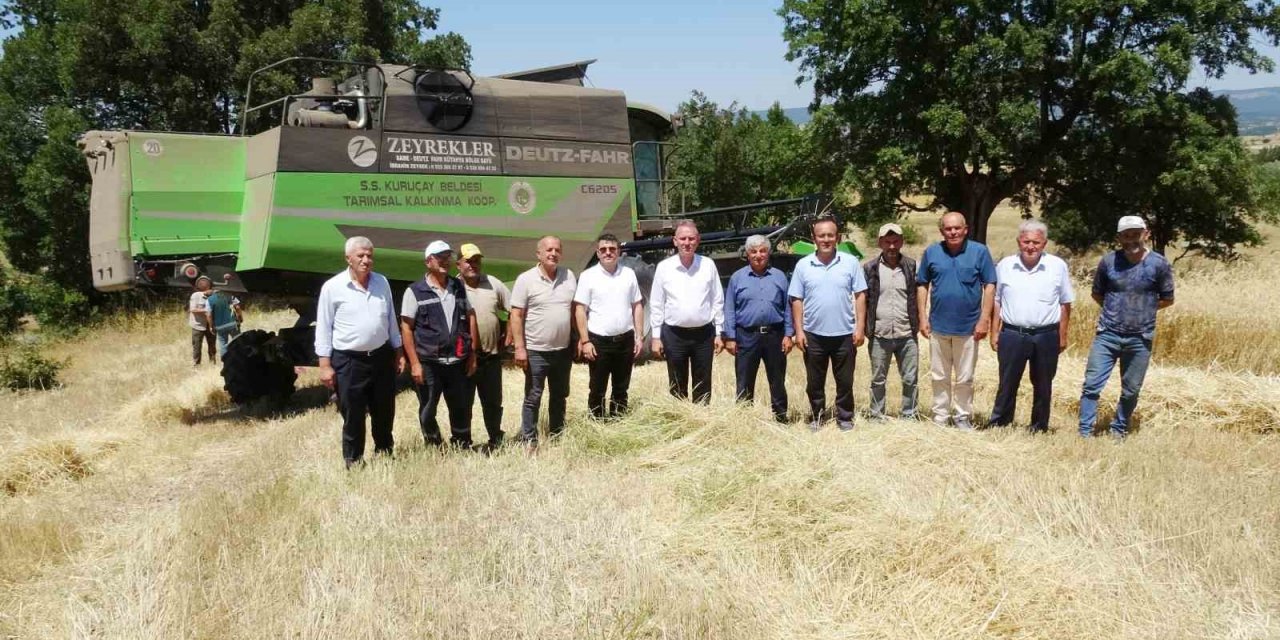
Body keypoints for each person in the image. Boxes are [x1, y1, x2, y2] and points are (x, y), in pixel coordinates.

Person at [1078, 216, 1175, 438]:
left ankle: (1119, 429)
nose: (1131, 239)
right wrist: (1114, 311)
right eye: (1126, 235)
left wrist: (1143, 310)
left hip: (1140, 337)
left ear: (1146, 234)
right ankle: (1084, 432)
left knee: (1131, 390)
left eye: (1136, 234)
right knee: (1091, 385)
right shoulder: (1108, 262)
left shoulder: (1159, 264)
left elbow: (1168, 299)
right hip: (1107, 334)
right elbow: (1097, 293)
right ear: (1119, 238)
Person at [315, 236, 405, 469]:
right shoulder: (333, 287)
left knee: (384, 409)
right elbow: (324, 327)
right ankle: (354, 459)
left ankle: (385, 452)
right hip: (349, 360)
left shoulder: (381, 282)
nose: (366, 260)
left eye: (369, 256)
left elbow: (391, 320)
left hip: (381, 357)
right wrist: (325, 365)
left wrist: (398, 351)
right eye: (360, 256)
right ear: (348, 258)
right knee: (353, 412)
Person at [988, 220, 1074, 432]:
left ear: (1044, 243)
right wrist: (994, 332)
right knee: (1007, 382)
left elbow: (1065, 303)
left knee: (1043, 384)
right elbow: (996, 301)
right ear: (1019, 242)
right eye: (1026, 241)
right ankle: (1000, 423)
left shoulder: (1057, 266)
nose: (1030, 246)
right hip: (1012, 333)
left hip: (1046, 335)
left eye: (1036, 242)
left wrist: (1062, 335)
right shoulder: (1005, 265)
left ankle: (1039, 426)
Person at [916, 212, 996, 430]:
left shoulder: (979, 252)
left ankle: (962, 416)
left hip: (969, 327)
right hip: (938, 326)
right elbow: (922, 284)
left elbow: (990, 285)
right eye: (948, 229)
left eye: (957, 228)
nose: (953, 232)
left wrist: (984, 320)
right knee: (939, 375)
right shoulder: (932, 252)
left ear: (965, 229)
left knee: (965, 377)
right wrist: (922, 317)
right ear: (942, 231)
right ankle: (940, 416)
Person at [789, 218, 867, 431]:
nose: (826, 239)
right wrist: (799, 331)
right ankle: (817, 416)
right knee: (814, 381)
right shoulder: (803, 265)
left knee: (845, 381)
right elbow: (796, 299)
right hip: (813, 334)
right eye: (821, 235)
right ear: (814, 238)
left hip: (845, 333)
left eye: (830, 235)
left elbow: (860, 295)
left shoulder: (850, 262)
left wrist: (860, 327)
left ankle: (845, 417)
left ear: (838, 238)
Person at [400, 240, 478, 450]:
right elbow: (406, 328)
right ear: (428, 261)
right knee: (428, 408)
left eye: (447, 257)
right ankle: (434, 445)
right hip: (429, 363)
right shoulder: (415, 291)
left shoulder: (458, 286)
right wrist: (415, 363)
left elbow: (470, 316)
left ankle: (462, 444)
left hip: (457, 361)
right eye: (440, 257)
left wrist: (472, 354)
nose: (445, 261)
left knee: (460, 407)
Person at [510, 235, 577, 448]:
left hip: (562, 350)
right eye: (548, 250)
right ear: (538, 254)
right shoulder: (525, 279)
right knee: (533, 397)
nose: (553, 253)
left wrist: (578, 339)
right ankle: (529, 439)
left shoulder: (569, 276)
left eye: (557, 250)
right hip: (535, 351)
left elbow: (574, 311)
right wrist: (519, 348)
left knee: (559, 395)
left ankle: (557, 434)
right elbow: (516, 315)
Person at [649, 220, 724, 404]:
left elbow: (717, 300)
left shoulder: (708, 265)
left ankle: (701, 417)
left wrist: (719, 332)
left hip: (704, 335)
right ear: (675, 241)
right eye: (683, 239)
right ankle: (680, 417)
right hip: (674, 335)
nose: (687, 243)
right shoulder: (664, 268)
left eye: (691, 238)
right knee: (676, 382)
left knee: (703, 382)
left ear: (698, 241)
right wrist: (656, 336)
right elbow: (656, 304)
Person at [573, 233, 644, 419]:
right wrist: (585, 341)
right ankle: (596, 422)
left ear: (619, 252)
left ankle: (618, 421)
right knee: (597, 388)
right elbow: (580, 310)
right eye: (603, 249)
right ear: (597, 253)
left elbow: (637, 305)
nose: (608, 252)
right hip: (598, 342)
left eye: (612, 249)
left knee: (621, 387)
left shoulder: (628, 274)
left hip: (625, 340)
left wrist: (639, 336)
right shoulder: (588, 276)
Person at [723, 234, 793, 423]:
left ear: (768, 253)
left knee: (777, 380)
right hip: (746, 336)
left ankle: (781, 417)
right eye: (753, 251)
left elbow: (788, 307)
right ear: (747, 254)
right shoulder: (737, 278)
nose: (758, 255)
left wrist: (788, 334)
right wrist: (730, 337)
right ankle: (744, 420)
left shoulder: (779, 277)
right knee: (744, 380)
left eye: (762, 251)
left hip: (775, 335)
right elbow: (729, 308)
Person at [861, 223, 921, 420]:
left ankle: (909, 415)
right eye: (887, 242)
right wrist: (862, 328)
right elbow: (863, 299)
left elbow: (918, 295)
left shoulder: (911, 266)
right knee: (878, 379)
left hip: (907, 333)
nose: (892, 246)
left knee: (910, 379)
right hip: (880, 333)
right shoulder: (869, 268)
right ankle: (877, 415)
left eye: (896, 241)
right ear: (880, 243)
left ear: (902, 242)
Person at [457, 242, 511, 448]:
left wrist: (510, 335)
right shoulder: (453, 287)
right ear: (458, 264)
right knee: (464, 403)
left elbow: (514, 309)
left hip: (491, 357)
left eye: (477, 261)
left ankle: (495, 438)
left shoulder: (493, 283)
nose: (473, 265)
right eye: (468, 261)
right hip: (464, 359)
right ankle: (463, 442)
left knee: (493, 403)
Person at [205, 286, 244, 359]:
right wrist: (240, 318)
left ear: (213, 290)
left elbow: (208, 315)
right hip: (233, 324)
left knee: (223, 344)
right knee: (238, 342)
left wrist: (211, 326)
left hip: (220, 326)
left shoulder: (209, 300)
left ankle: (225, 361)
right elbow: (238, 307)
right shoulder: (230, 296)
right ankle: (240, 358)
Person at [188, 276, 215, 365]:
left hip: (210, 324)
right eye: (202, 282)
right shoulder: (196, 295)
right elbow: (193, 309)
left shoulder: (214, 296)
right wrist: (206, 310)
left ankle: (212, 363)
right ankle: (196, 364)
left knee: (212, 345)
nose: (204, 284)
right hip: (198, 325)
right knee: (197, 345)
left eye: (206, 282)